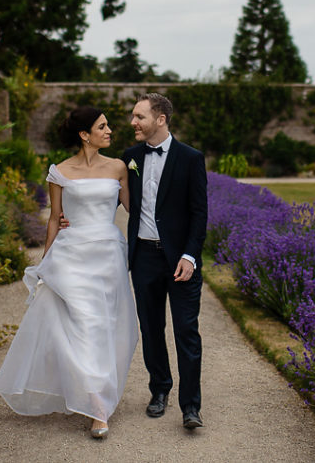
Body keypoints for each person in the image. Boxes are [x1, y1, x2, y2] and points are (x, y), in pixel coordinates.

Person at [0, 106, 137, 440]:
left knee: (109, 327)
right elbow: (55, 218)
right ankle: (98, 408)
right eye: (103, 126)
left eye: (108, 126)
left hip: (108, 255)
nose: (110, 130)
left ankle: (95, 393)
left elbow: (132, 207)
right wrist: (46, 264)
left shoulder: (118, 167)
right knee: (86, 326)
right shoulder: (59, 171)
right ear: (84, 135)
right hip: (72, 256)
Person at [122, 92, 207, 430]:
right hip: (144, 258)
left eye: (139, 116)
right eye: (133, 116)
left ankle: (191, 406)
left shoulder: (190, 158)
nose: (133, 123)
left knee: (187, 331)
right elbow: (106, 196)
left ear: (160, 119)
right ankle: (159, 390)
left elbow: (199, 214)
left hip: (180, 261)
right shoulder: (129, 158)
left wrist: (190, 255)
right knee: (151, 329)